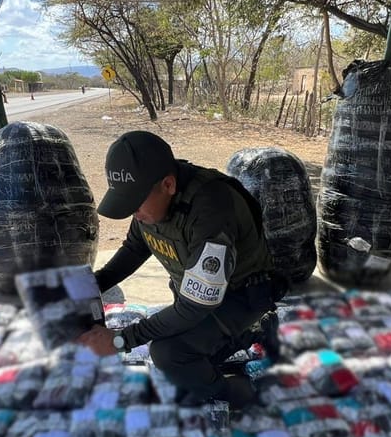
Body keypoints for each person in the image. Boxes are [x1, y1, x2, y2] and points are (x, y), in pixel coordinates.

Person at [78, 131, 284, 410]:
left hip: (240, 297)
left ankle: (241, 393)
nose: (133, 213)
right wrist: (94, 285)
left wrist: (119, 340)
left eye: (135, 203)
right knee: (176, 342)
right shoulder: (151, 201)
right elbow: (135, 248)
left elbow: (194, 307)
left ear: (168, 184)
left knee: (169, 354)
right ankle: (252, 332)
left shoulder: (211, 208)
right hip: (200, 298)